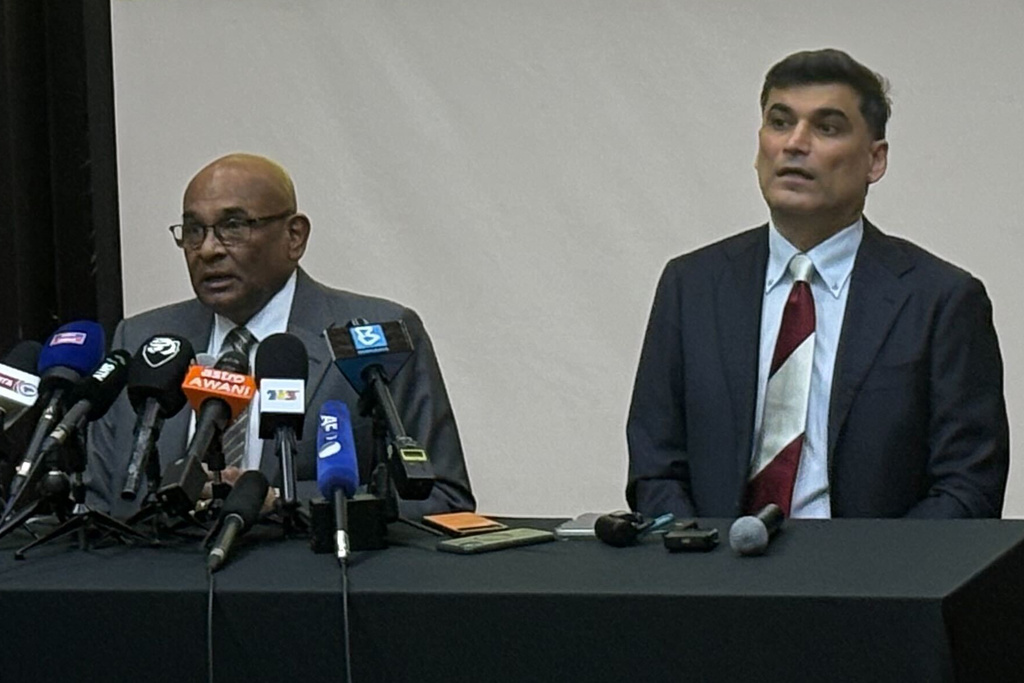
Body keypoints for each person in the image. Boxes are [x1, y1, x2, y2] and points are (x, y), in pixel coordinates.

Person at [626, 49, 1008, 519]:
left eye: (826, 128)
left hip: (873, 582)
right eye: (780, 122)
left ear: (875, 159)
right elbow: (655, 467)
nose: (794, 144)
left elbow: (967, 487)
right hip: (712, 574)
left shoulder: (940, 300)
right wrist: (700, 569)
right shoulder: (692, 286)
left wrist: (868, 581)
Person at [87, 153, 475, 519]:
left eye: (233, 227)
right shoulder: (142, 340)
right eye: (193, 230)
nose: (207, 250)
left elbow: (443, 499)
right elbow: (100, 505)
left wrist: (280, 502)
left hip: (310, 581)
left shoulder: (382, 334)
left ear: (295, 237)